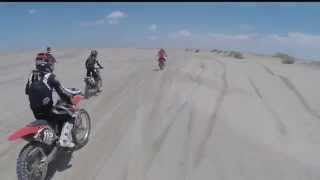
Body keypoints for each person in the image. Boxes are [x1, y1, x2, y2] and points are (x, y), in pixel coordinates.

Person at [25, 52, 76, 148]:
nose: (53, 66)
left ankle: (52, 138)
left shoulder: (31, 76)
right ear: (47, 64)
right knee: (71, 115)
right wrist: (70, 101)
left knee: (53, 118)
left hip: (36, 111)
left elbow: (27, 91)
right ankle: (64, 141)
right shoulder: (50, 76)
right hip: (48, 110)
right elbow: (62, 92)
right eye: (52, 63)